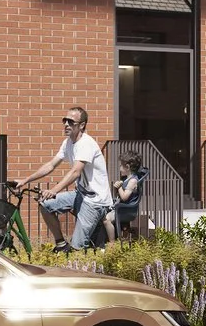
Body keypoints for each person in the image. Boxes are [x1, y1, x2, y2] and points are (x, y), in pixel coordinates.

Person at [17, 105, 113, 250]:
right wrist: (25, 180)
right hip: (80, 194)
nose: (66, 124)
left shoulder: (86, 144)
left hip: (95, 201)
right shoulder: (68, 142)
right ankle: (61, 243)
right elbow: (51, 165)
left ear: (82, 125)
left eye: (71, 122)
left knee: (77, 247)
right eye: (65, 120)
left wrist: (54, 190)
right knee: (46, 205)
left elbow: (76, 172)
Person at [109, 151, 146, 240]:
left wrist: (119, 187)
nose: (120, 168)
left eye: (121, 166)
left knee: (105, 219)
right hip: (121, 209)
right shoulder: (127, 179)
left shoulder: (133, 181)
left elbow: (125, 197)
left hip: (125, 211)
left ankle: (111, 242)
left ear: (128, 167)